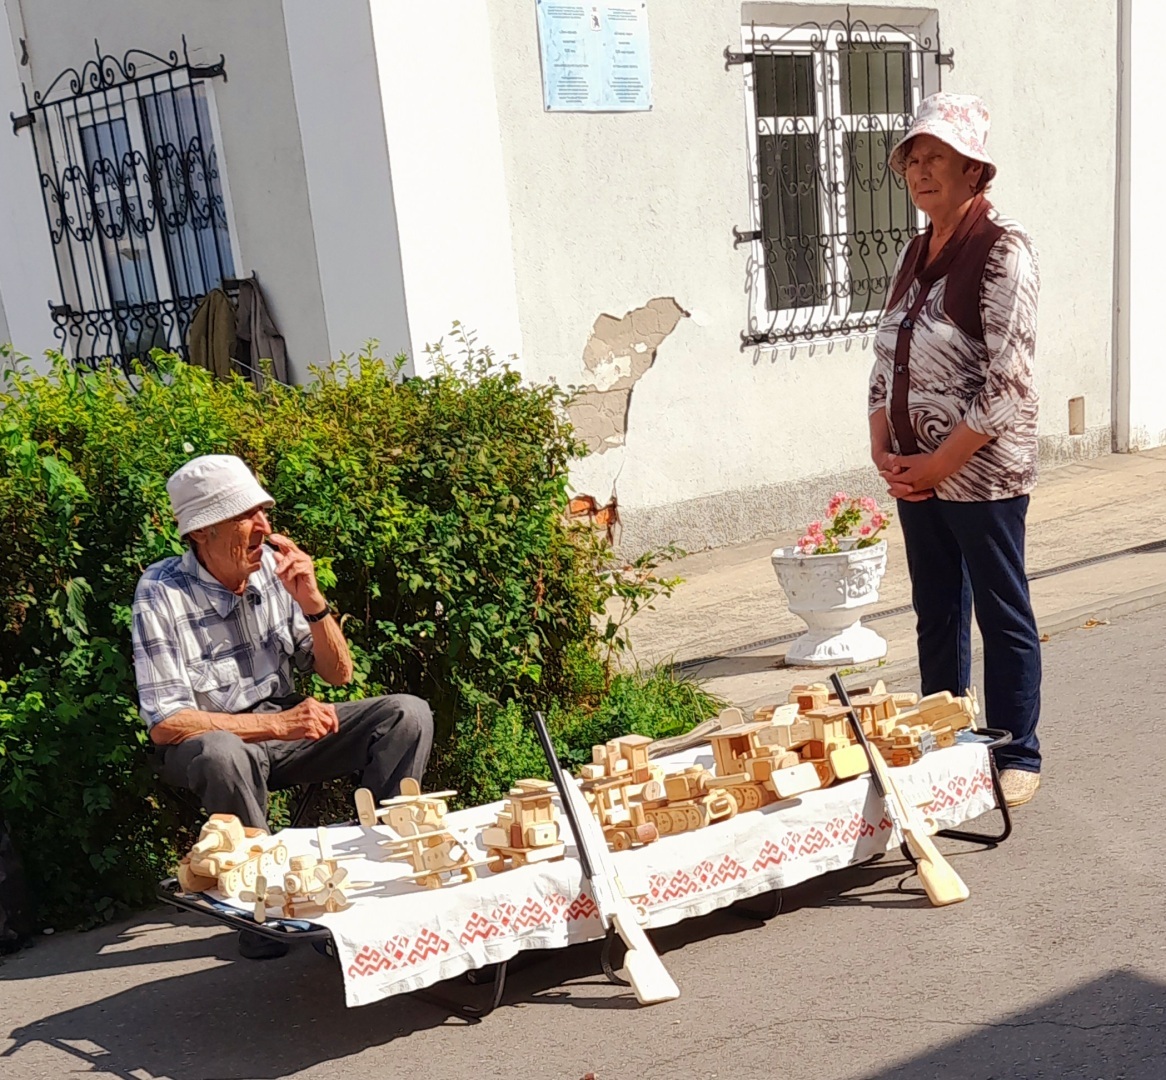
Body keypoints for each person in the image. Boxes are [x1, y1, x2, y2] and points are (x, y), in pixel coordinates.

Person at [132, 455, 433, 955]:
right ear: (202, 532)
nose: (264, 528)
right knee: (225, 752)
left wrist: (314, 603)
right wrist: (275, 724)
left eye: (263, 513)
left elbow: (339, 674)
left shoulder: (272, 570)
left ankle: (380, 873)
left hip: (287, 734)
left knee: (406, 713)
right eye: (245, 516)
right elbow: (166, 724)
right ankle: (261, 905)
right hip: (215, 746)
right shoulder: (161, 592)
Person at [867, 93, 1042, 808]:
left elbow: (1012, 383)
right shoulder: (915, 251)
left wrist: (940, 463)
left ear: (974, 171)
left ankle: (1015, 752)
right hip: (918, 474)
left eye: (936, 156)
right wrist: (882, 441)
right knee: (935, 610)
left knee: (1000, 611)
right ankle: (945, 745)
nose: (920, 169)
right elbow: (887, 355)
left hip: (982, 473)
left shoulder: (1004, 250)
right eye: (912, 158)